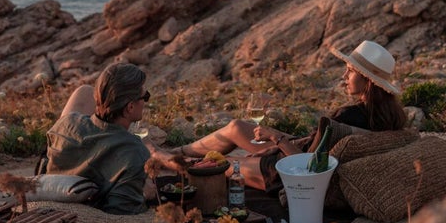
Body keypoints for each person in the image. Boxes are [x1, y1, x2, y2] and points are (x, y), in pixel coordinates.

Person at [164, 41, 407, 178]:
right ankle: (177, 150)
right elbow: (315, 146)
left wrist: (276, 138)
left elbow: (308, 166)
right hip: (295, 152)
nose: (344, 76)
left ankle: (160, 157)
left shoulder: (347, 117)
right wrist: (274, 144)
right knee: (237, 127)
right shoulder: (390, 117)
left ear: (369, 82)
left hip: (286, 172)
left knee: (219, 164)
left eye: (351, 71)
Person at [45, 62, 154, 214]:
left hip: (51, 199)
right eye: (145, 97)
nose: (145, 102)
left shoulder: (66, 123)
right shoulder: (134, 152)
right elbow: (122, 212)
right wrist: (145, 194)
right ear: (130, 107)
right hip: (89, 216)